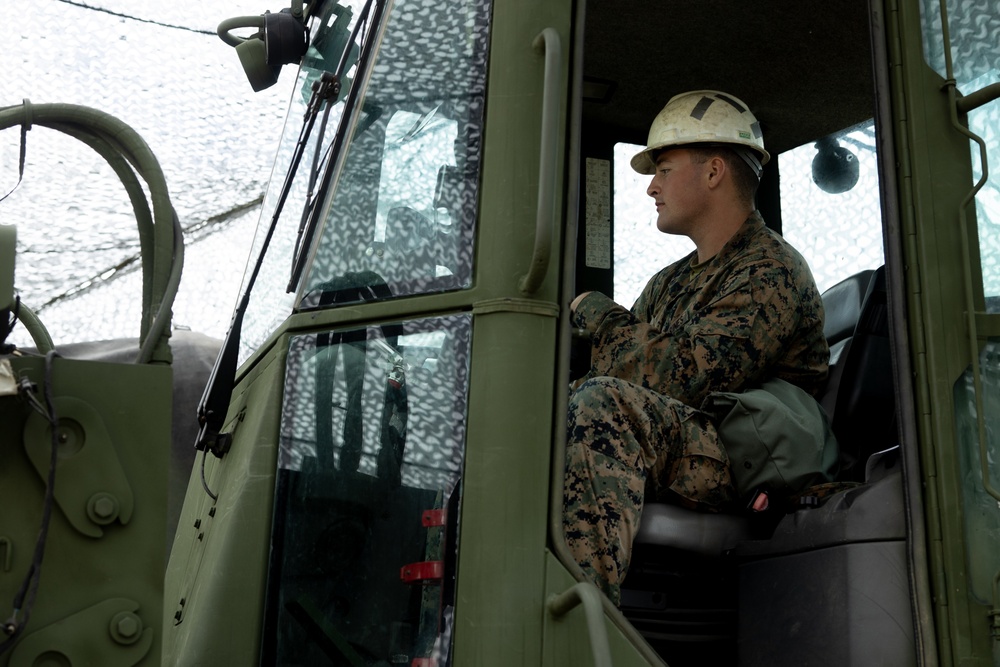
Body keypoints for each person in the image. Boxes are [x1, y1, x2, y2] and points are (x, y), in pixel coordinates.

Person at [563, 90, 830, 605]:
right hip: (689, 441)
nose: (651, 188)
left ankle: (580, 624)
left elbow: (684, 378)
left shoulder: (769, 270)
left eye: (663, 168)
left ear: (713, 172)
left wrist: (595, 313)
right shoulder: (671, 283)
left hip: (746, 453)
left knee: (600, 405)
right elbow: (625, 361)